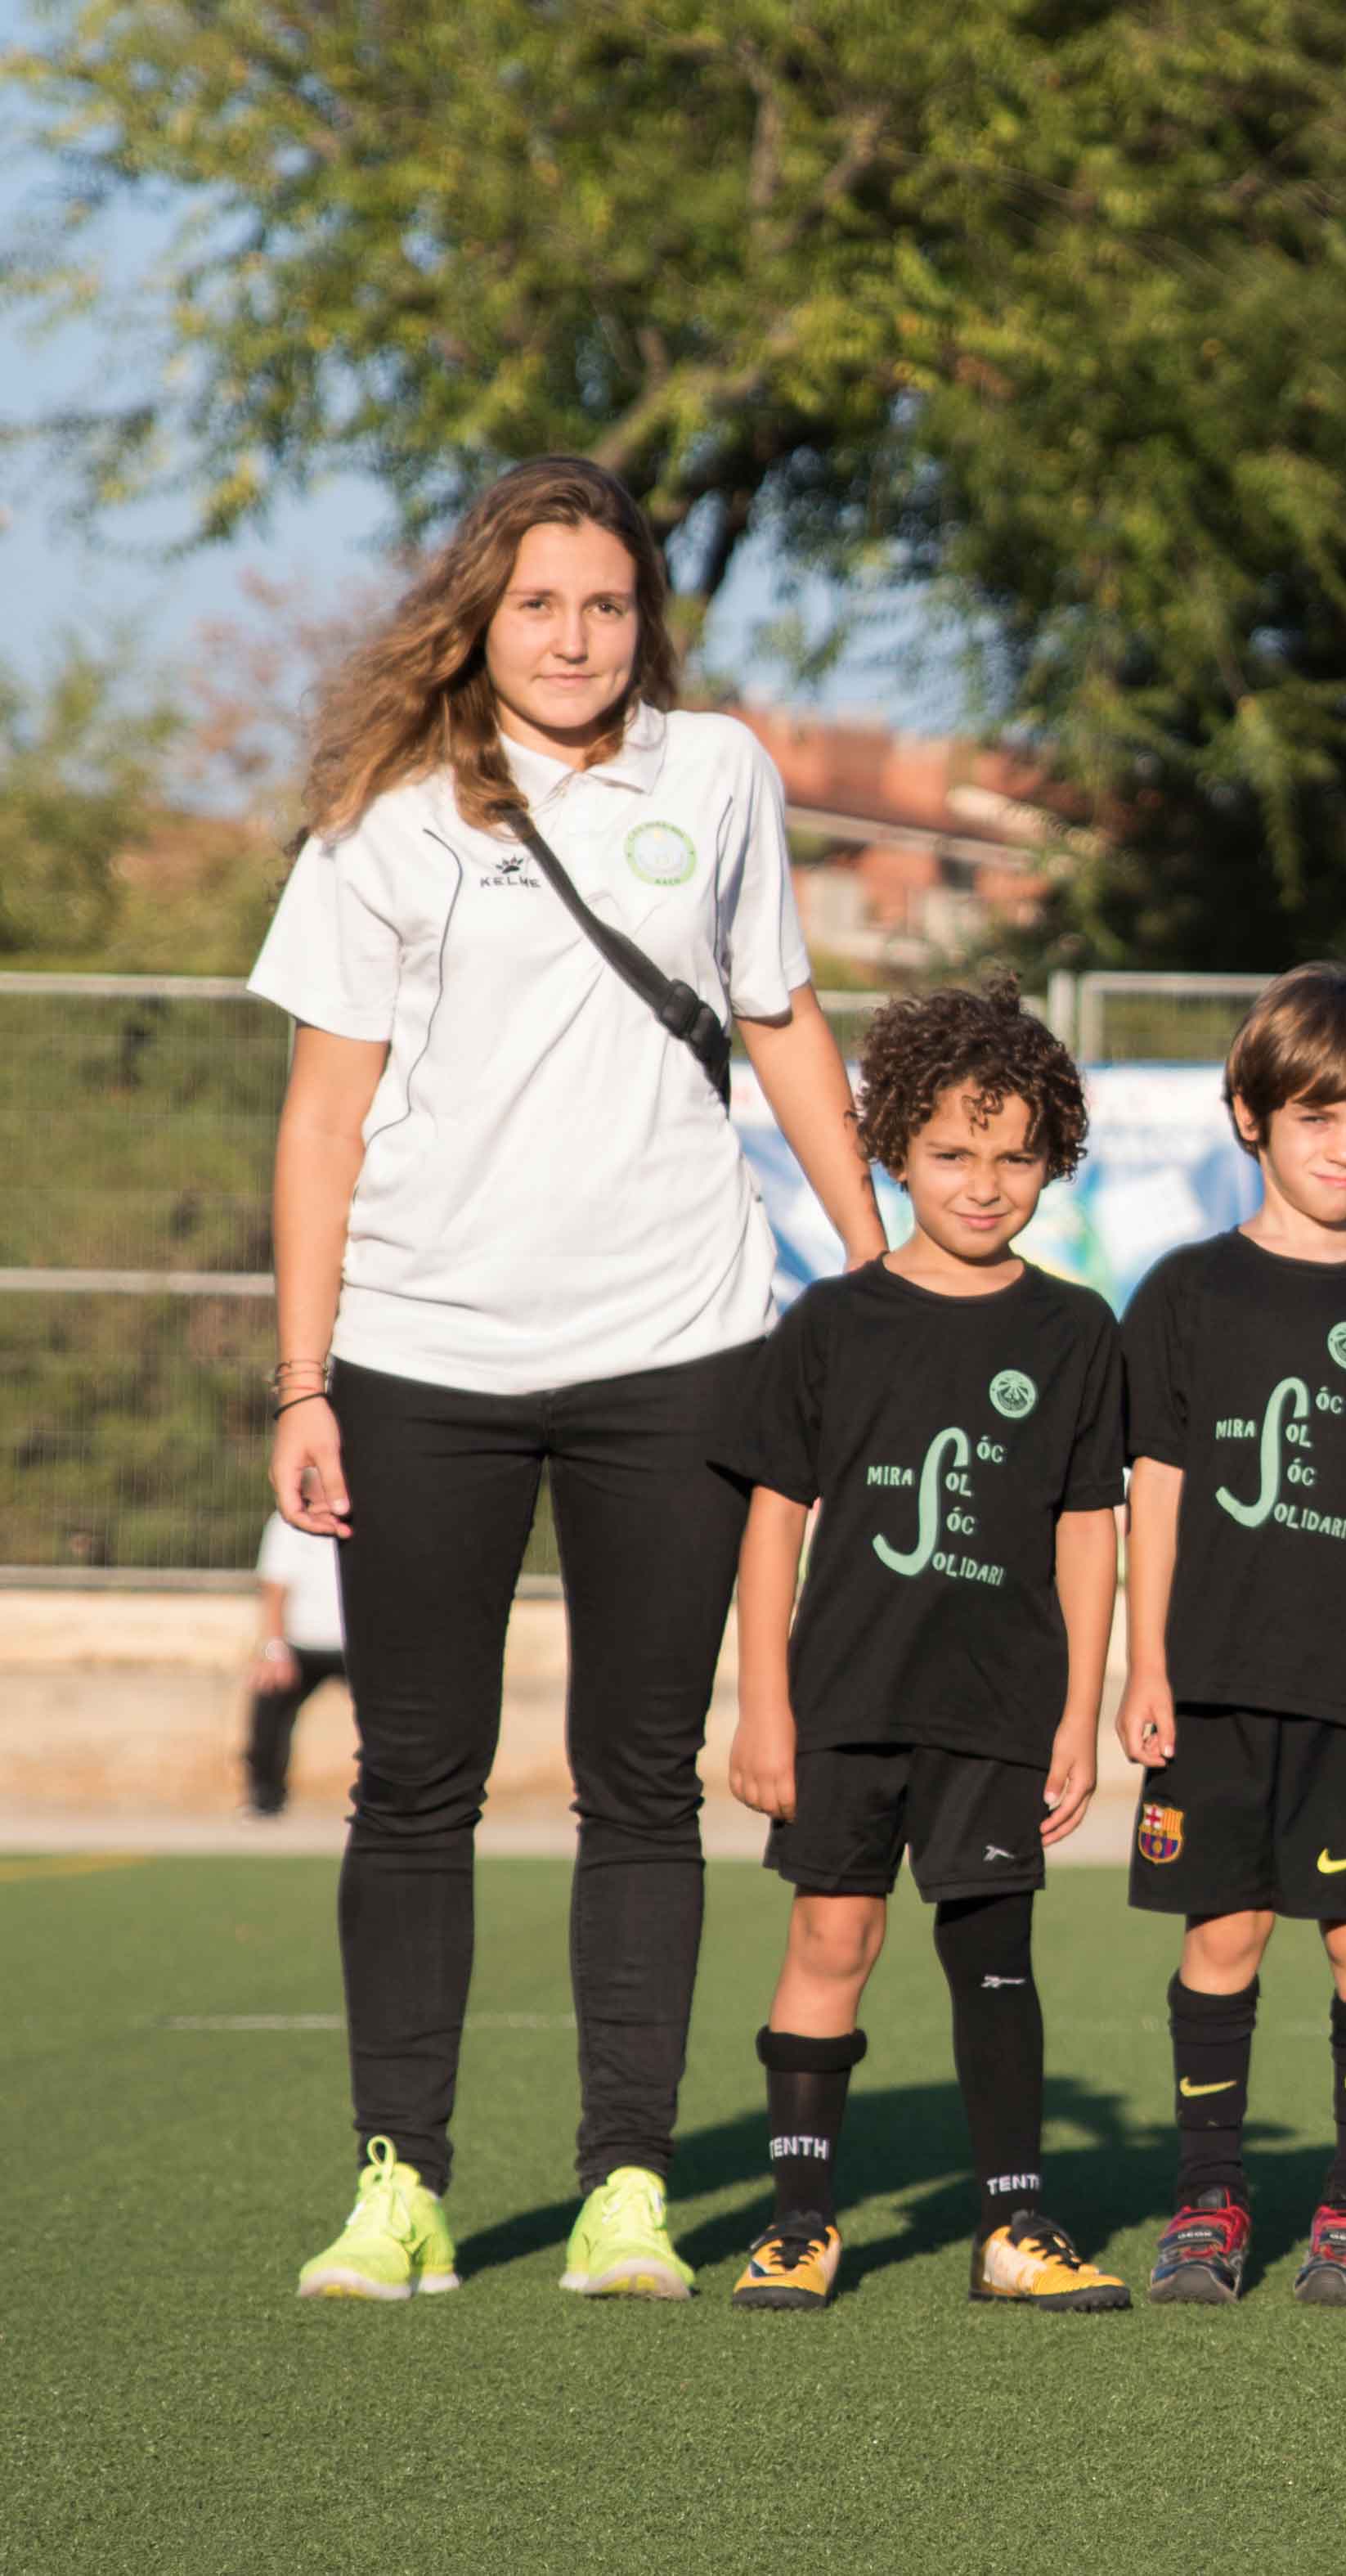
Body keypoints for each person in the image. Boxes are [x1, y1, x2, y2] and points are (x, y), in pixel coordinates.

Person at [263, 456, 886, 2303]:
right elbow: (322, 1112)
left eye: (607, 604)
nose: (575, 636)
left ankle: (629, 2179)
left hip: (679, 1345)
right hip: (421, 1354)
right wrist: (306, 1378)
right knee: (414, 1780)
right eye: (541, 602)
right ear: (481, 614)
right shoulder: (384, 810)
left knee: (642, 1779)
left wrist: (872, 1268)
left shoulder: (718, 775)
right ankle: (403, 2184)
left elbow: (778, 1016)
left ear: (646, 620)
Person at [720, 981, 1129, 2315]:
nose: (984, 1181)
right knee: (833, 1930)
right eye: (954, 1152)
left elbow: (1086, 1524)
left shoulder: (1073, 1328)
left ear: (1050, 1160)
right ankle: (798, 2220)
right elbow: (774, 1520)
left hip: (999, 1700)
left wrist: (1077, 1709)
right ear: (894, 1146)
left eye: (1015, 1156)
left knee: (995, 1952)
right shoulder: (834, 1321)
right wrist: (764, 1705)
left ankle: (1015, 2221)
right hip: (844, 1695)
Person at [1116, 964, 1346, 2309]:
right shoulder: (1185, 1291)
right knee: (1223, 1935)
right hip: (1210, 1684)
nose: (1345, 1145)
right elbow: (1156, 1485)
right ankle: (1208, 2199)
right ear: (1249, 1117)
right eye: (1317, 1115)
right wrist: (1143, 1663)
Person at [246, 1513, 349, 1819]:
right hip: (300, 1646)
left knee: (395, 1721)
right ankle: (265, 1799)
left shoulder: (369, 1510)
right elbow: (275, 1589)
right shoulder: (287, 1522)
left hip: (358, 1646)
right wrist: (274, 1648)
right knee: (268, 1712)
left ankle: (404, 1800)